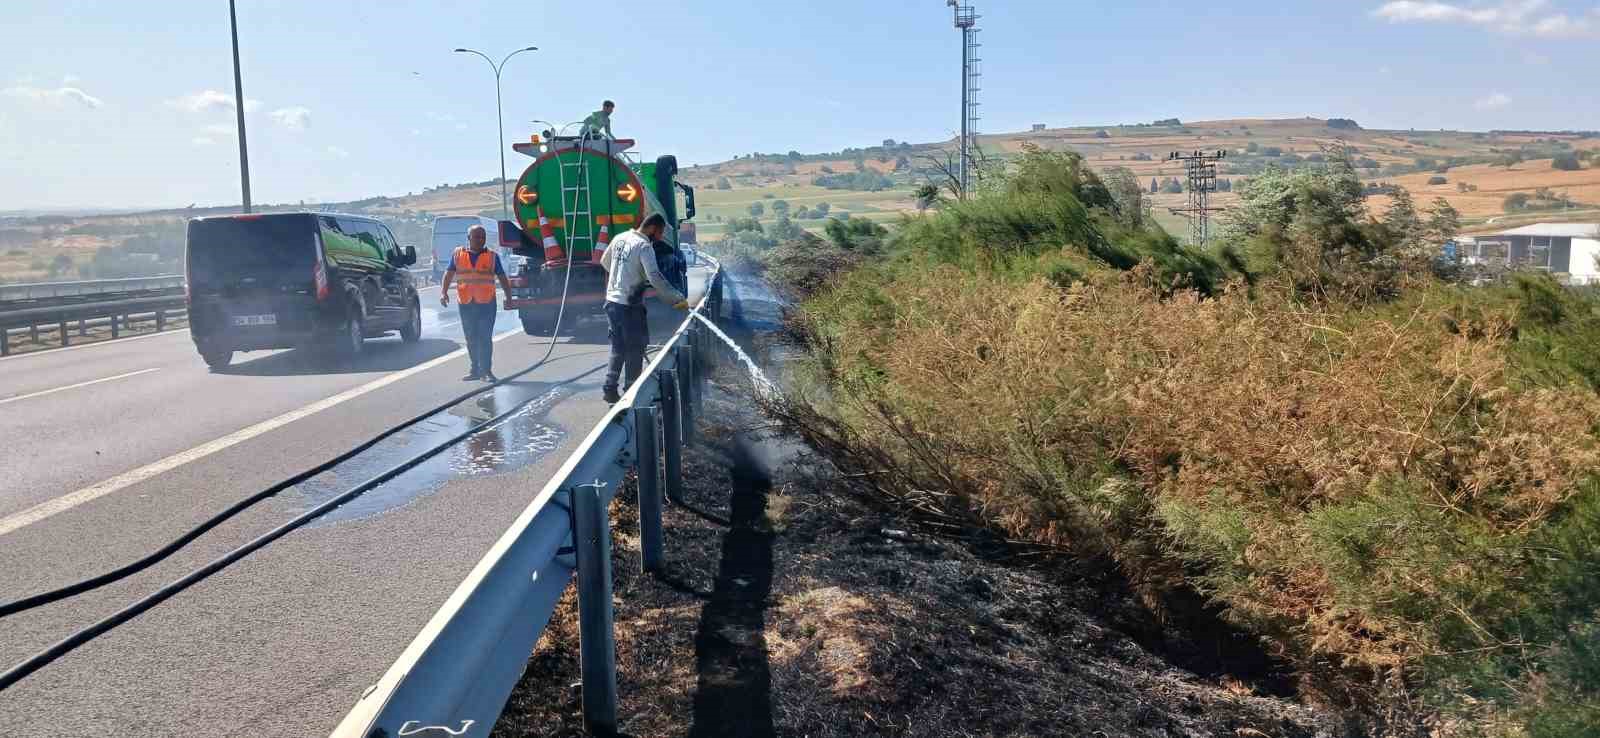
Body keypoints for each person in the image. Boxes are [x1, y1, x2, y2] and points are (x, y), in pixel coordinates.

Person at [598, 213, 688, 403]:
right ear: (653, 228)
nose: (660, 237)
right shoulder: (644, 246)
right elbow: (655, 277)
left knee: (618, 347)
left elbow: (605, 262)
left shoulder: (620, 238)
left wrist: (624, 277)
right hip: (630, 306)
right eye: (660, 232)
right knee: (635, 348)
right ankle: (631, 392)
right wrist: (675, 299)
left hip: (612, 302)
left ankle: (609, 389)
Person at [439, 224, 514, 382]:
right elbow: (448, 274)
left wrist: (509, 297)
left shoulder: (492, 256)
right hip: (466, 302)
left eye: (482, 237)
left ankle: (486, 371)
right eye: (476, 237)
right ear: (468, 239)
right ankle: (475, 369)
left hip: (486, 303)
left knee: (484, 337)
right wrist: (443, 292)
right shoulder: (458, 254)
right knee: (471, 337)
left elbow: (502, 278)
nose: (480, 240)